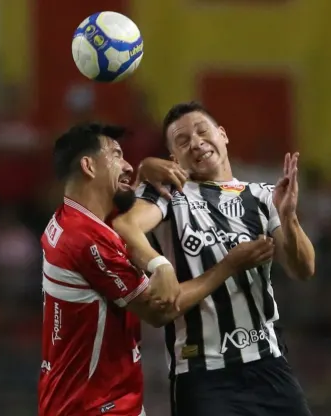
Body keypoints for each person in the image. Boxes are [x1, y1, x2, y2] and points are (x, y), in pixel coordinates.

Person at [37, 122, 275, 416]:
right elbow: (159, 309)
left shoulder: (72, 218)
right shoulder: (86, 240)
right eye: (116, 155)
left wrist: (146, 167)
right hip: (93, 405)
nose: (126, 165)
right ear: (88, 166)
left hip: (89, 398)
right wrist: (229, 264)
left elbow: (125, 209)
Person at [112, 102, 316, 416]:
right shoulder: (169, 194)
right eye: (182, 141)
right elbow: (126, 226)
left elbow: (304, 269)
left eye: (202, 131)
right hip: (203, 374)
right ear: (174, 158)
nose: (195, 142)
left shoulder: (262, 195)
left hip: (269, 365)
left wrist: (288, 218)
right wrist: (159, 265)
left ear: (222, 135)